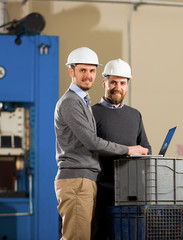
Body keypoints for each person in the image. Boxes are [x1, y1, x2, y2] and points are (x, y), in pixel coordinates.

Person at [54, 48, 149, 240]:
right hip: (81, 180)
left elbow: (146, 148)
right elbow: (92, 142)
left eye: (91, 71)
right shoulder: (73, 103)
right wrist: (129, 150)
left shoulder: (83, 102)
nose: (88, 75)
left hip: (102, 184)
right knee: (80, 236)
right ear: (71, 71)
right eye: (83, 70)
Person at [91, 58, 152, 239]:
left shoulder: (135, 115)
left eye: (122, 83)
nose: (118, 87)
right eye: (113, 82)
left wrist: (142, 152)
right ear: (104, 83)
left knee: (130, 235)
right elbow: (91, 146)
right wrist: (129, 149)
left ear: (127, 85)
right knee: (100, 234)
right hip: (102, 189)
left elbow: (146, 147)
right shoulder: (92, 113)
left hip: (132, 192)